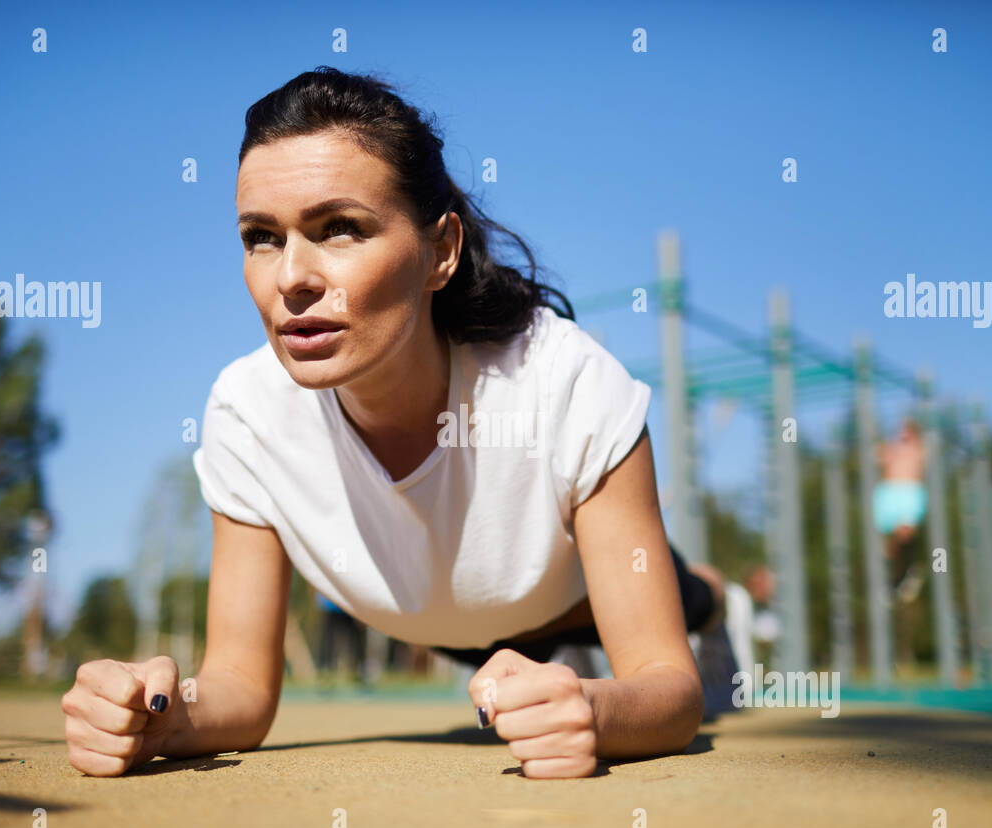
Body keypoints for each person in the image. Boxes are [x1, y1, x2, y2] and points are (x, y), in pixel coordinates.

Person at [62, 67, 724, 780]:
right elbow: (242, 691)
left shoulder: (565, 384)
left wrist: (590, 709)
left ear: (440, 251)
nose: (292, 277)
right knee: (485, 641)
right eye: (262, 236)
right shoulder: (244, 415)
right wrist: (156, 710)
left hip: (573, 606)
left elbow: (668, 687)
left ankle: (718, 596)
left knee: (688, 599)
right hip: (439, 625)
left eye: (339, 228)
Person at [874, 418, 927, 601]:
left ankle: (909, 570)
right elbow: (880, 459)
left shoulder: (919, 450)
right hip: (890, 495)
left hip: (908, 494)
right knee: (888, 545)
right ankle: (895, 579)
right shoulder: (893, 449)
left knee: (904, 533)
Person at [314, 590, 367, 683]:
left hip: (351, 604)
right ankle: (325, 672)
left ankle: (360, 671)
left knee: (356, 641)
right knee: (329, 641)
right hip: (331, 604)